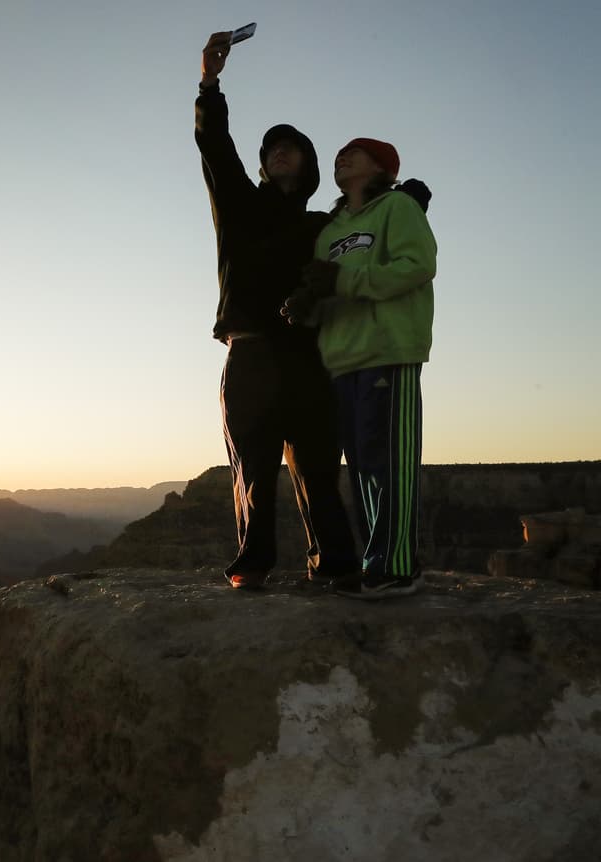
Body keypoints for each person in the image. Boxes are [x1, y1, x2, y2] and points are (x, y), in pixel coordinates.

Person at [195, 31, 359, 591]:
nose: (278, 152)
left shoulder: (324, 227)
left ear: (310, 166)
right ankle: (253, 562)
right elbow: (216, 149)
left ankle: (334, 564)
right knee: (255, 467)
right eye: (271, 149)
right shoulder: (241, 206)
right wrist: (210, 85)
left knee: (316, 464)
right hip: (253, 351)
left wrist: (405, 194)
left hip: (310, 354)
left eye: (291, 147)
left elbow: (370, 224)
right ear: (263, 166)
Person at [283, 137, 437, 600]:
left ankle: (398, 568)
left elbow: (417, 266)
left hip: (389, 349)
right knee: (365, 466)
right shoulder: (331, 232)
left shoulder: (397, 207)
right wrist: (306, 305)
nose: (341, 157)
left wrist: (343, 279)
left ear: (382, 167)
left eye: (355, 152)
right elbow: (331, 289)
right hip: (342, 359)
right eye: (338, 154)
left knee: (389, 461)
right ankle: (378, 563)